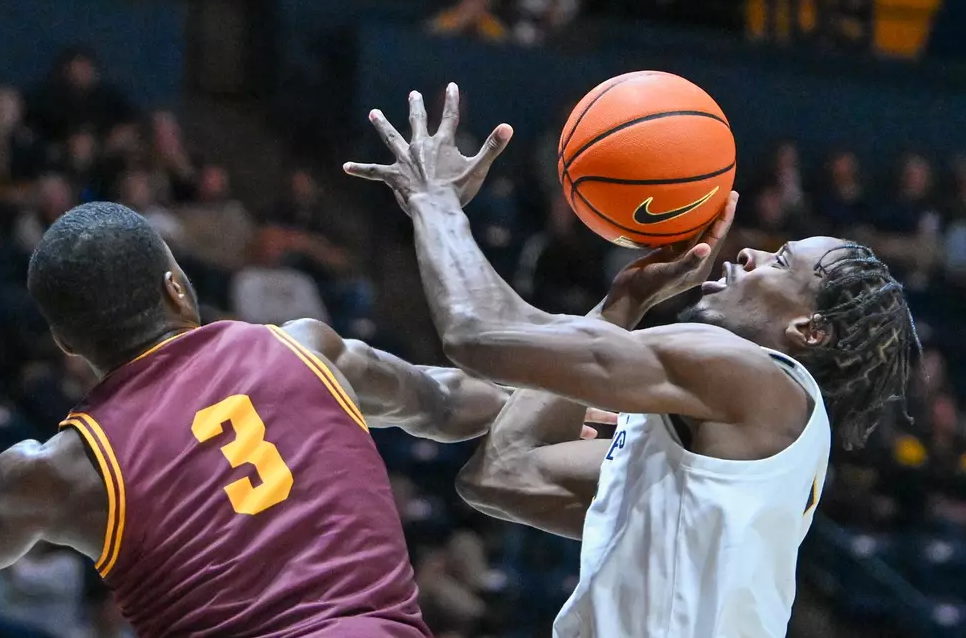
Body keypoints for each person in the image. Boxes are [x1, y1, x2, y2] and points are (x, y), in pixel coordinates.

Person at [0, 193, 514, 638]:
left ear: (68, 346)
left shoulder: (60, 471)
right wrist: (554, 390)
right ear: (177, 288)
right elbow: (449, 403)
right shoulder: (306, 349)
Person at [346, 84, 919, 638]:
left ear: (810, 330)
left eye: (782, 262)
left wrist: (435, 200)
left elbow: (477, 332)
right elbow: (501, 475)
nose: (751, 252)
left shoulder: (753, 373)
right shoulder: (708, 461)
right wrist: (626, 300)